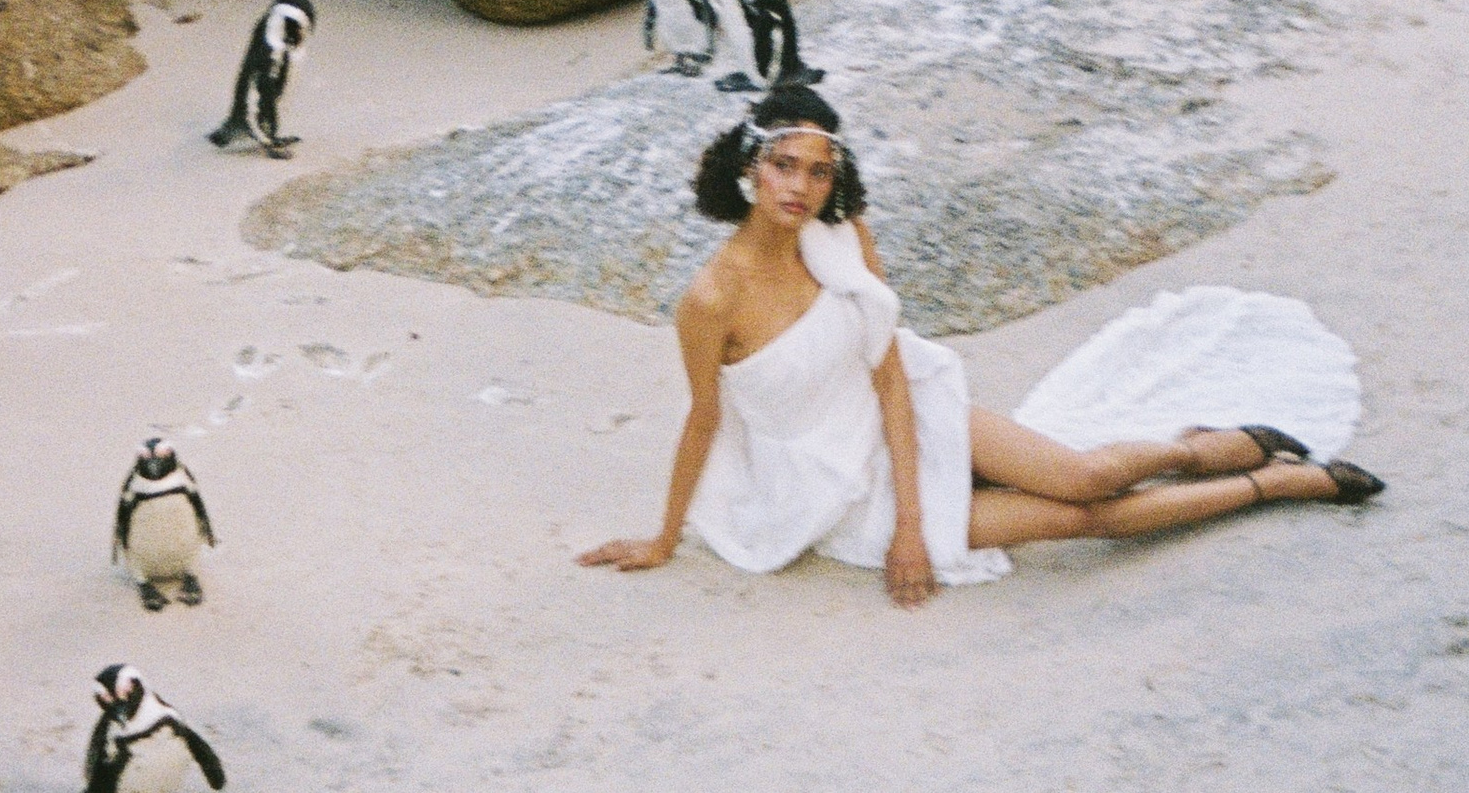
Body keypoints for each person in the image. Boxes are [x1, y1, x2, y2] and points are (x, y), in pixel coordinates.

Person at [578, 85, 1383, 610]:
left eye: (820, 172)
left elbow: (890, 373)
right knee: (1091, 520)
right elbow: (704, 421)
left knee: (1090, 473)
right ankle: (1281, 486)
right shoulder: (712, 298)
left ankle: (1201, 449)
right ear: (750, 169)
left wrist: (917, 520)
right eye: (784, 166)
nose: (801, 187)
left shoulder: (841, 238)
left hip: (908, 415)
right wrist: (663, 536)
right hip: (836, 483)